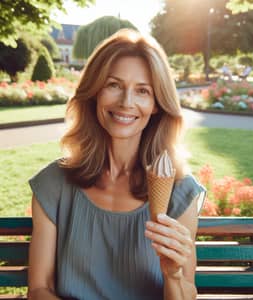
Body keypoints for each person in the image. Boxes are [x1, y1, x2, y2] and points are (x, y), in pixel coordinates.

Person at [28, 29, 206, 300]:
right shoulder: (54, 185)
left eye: (143, 91)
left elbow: (186, 293)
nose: (126, 102)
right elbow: (40, 289)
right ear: (94, 92)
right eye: (113, 85)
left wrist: (173, 275)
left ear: (157, 104)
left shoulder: (180, 192)